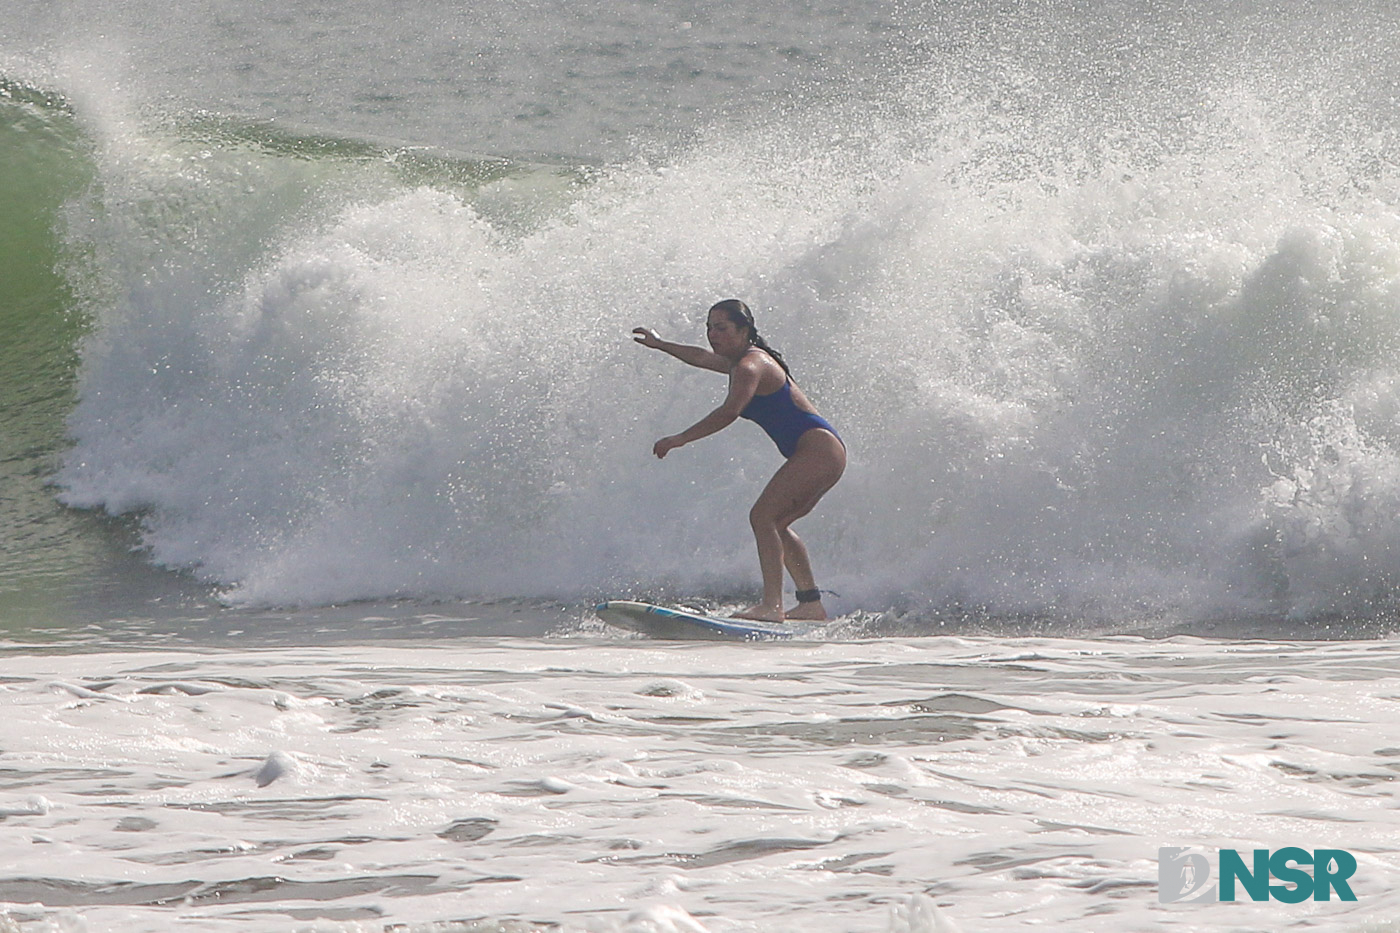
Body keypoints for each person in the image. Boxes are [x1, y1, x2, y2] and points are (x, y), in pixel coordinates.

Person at [634, 299, 846, 622]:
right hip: (825, 453)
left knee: (763, 517)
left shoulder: (750, 365)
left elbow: (729, 412)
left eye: (721, 328)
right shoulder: (738, 362)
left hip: (818, 451)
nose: (712, 335)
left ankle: (772, 606)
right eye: (709, 328)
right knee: (776, 523)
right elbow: (701, 357)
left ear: (744, 330)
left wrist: (679, 439)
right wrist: (659, 344)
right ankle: (810, 604)